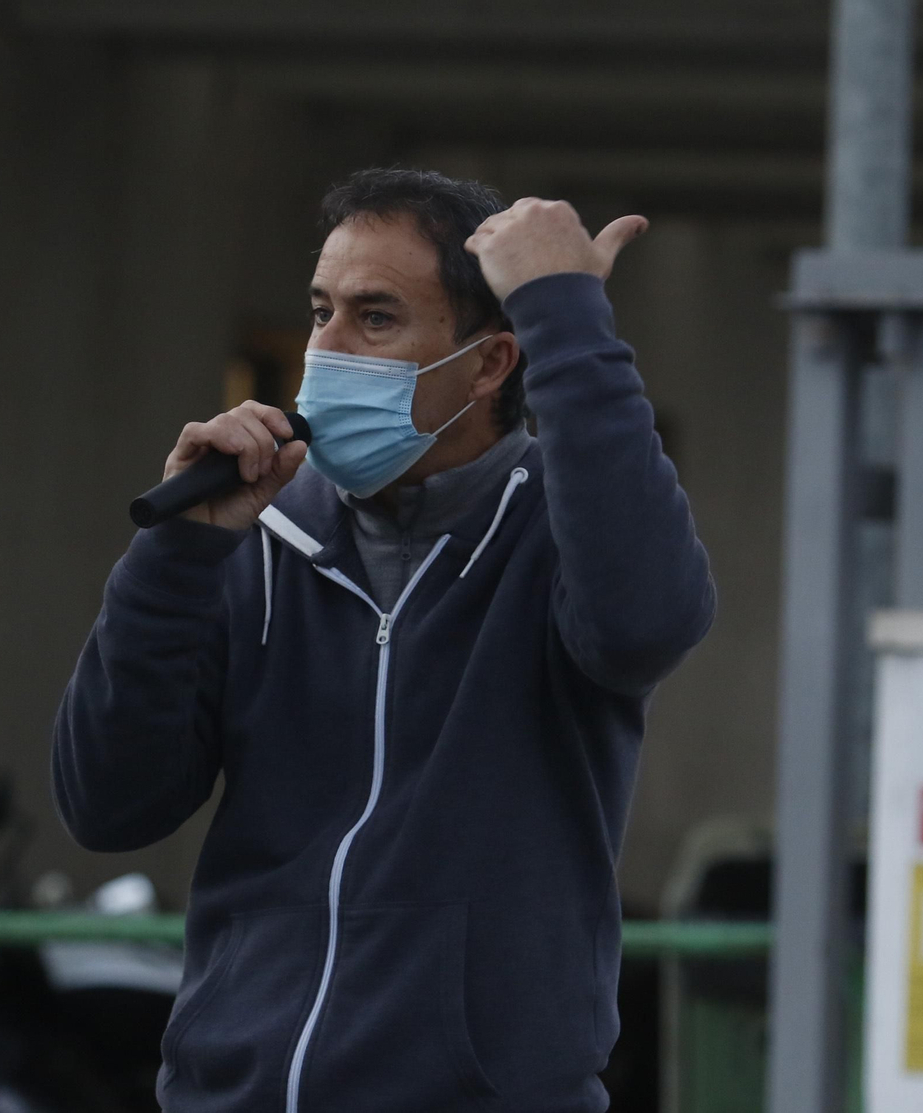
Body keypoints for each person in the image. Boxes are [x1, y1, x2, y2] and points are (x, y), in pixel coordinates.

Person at [52, 168, 716, 1112]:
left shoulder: (562, 534)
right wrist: (177, 560)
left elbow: (649, 622)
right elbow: (108, 804)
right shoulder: (258, 533)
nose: (323, 349)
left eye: (374, 319)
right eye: (321, 310)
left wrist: (567, 316)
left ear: (489, 365)